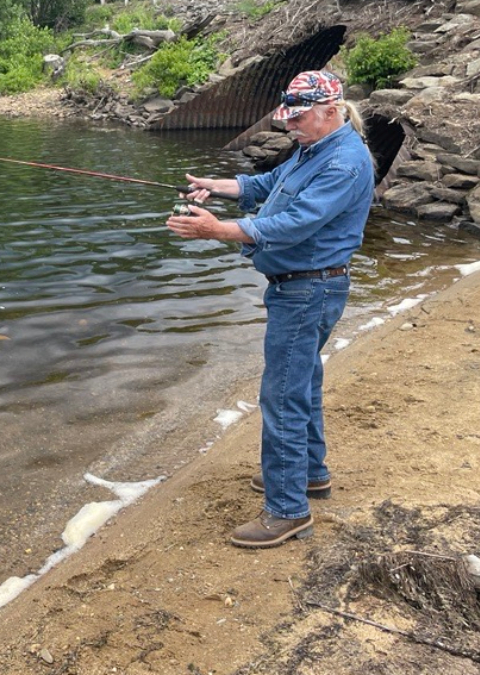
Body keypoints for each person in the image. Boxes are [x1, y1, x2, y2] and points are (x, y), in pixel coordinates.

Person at [166, 70, 374, 548]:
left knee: (281, 394)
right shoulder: (314, 148)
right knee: (302, 383)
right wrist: (215, 186)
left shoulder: (344, 162)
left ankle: (287, 509)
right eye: (289, 119)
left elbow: (294, 223)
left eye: (298, 120)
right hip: (304, 288)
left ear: (331, 111)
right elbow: (268, 184)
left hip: (308, 291)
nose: (290, 128)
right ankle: (311, 475)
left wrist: (218, 230)